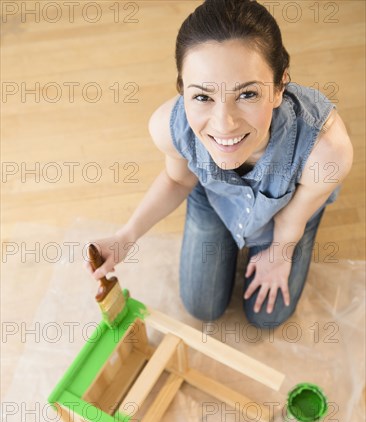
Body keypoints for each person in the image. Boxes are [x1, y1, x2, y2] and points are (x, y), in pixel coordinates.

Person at [86, 0, 353, 328]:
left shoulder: (326, 152)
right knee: (202, 307)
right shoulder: (168, 128)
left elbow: (288, 221)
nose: (224, 124)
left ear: (280, 86)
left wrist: (280, 252)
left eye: (248, 95)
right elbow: (177, 181)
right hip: (212, 195)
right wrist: (126, 235)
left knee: (268, 317)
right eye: (202, 97)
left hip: (291, 206)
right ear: (183, 91)